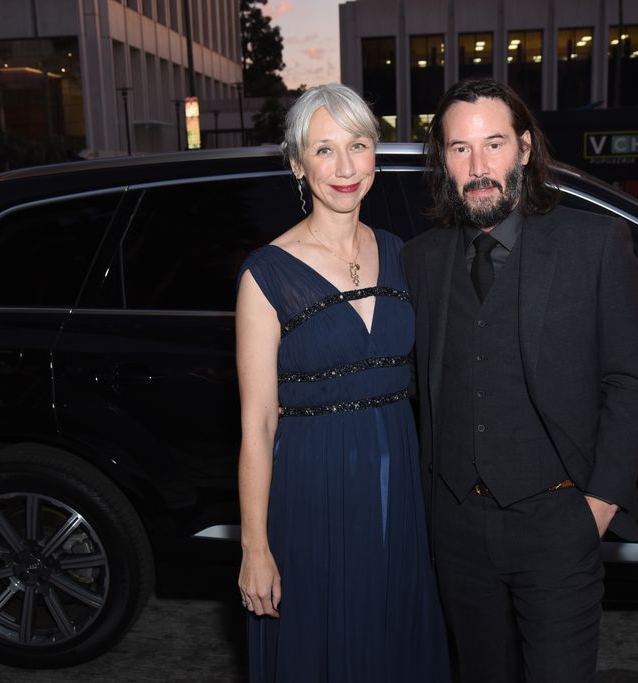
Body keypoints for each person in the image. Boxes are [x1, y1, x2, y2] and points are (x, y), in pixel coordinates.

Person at [401, 78, 638, 682]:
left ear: (525, 148)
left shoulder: (593, 244)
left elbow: (627, 380)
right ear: (443, 161)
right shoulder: (421, 259)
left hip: (558, 523)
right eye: (459, 149)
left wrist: (598, 504)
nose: (478, 164)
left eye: (493, 144)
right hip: (457, 528)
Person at [235, 83, 450, 683]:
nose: (345, 166)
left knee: (393, 637)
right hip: (312, 486)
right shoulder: (265, 274)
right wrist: (255, 547)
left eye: (357, 145)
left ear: (374, 155)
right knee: (322, 644)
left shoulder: (400, 252)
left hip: (399, 482)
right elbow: (256, 423)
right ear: (297, 164)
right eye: (324, 150)